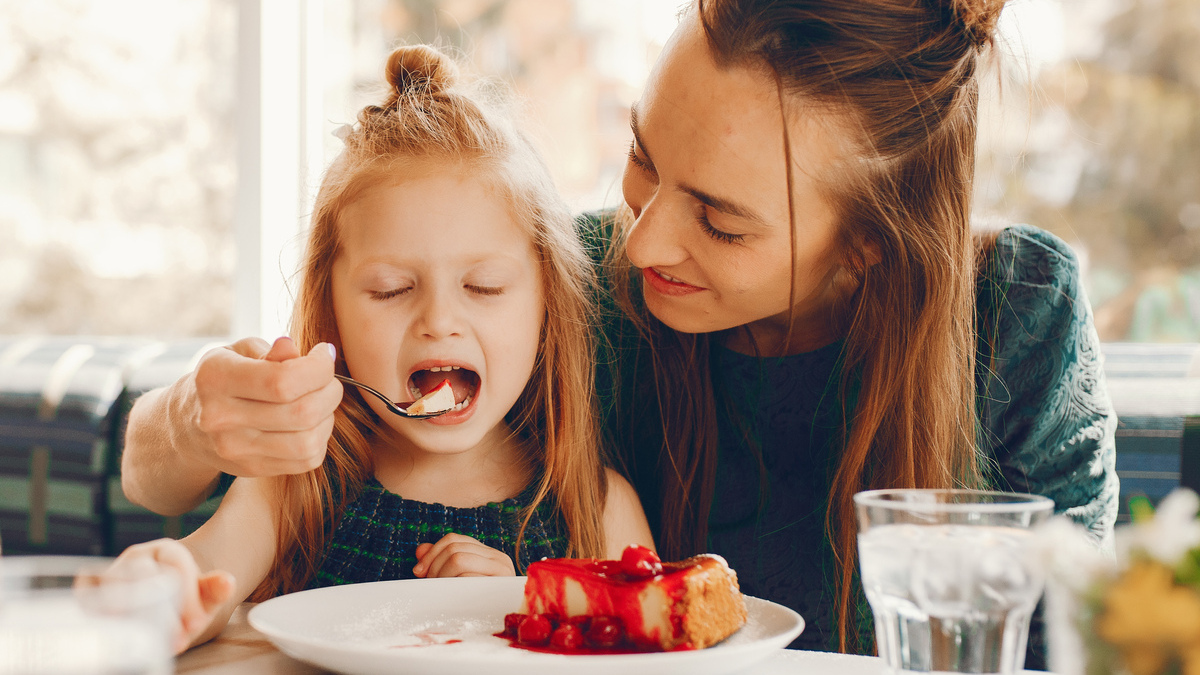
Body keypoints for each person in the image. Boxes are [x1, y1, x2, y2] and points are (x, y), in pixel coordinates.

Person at [120, 0, 1117, 662]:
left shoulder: (1018, 318)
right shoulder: (559, 286)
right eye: (642, 159)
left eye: (720, 219)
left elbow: (1076, 644)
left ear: (868, 247)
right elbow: (173, 471)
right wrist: (197, 418)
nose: (640, 247)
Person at [110, 43, 653, 652]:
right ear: (332, 309)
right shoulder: (296, 483)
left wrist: (520, 608)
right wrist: (164, 586)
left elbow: (646, 652)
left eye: (484, 286)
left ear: (547, 304)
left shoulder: (595, 507)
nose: (439, 321)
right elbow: (205, 584)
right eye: (392, 290)